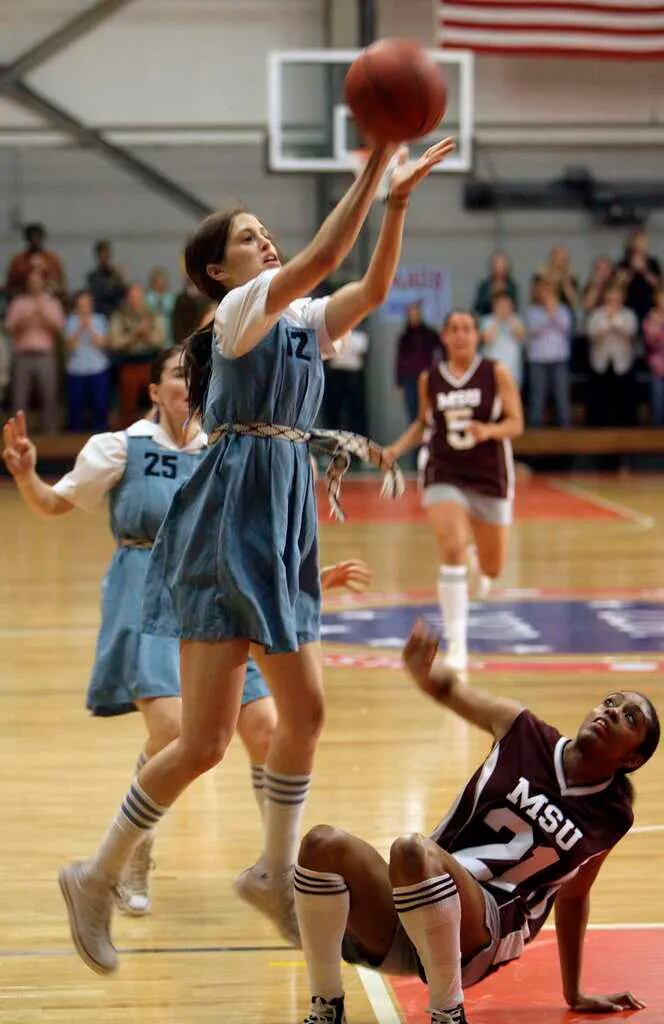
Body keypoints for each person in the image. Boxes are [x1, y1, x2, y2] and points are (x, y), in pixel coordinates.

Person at [54, 134, 457, 976]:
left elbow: (370, 285)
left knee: (304, 713)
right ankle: (94, 876)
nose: (265, 240)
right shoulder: (239, 313)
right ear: (217, 271)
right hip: (228, 514)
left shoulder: (302, 318)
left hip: (281, 514)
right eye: (248, 236)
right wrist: (374, 164)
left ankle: (273, 870)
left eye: (264, 232)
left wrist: (401, 206)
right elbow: (324, 255)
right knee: (203, 744)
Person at [2, 348, 373, 918]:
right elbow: (54, 504)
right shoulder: (120, 446)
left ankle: (274, 871)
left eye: (197, 375)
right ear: (154, 390)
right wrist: (27, 474)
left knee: (270, 730)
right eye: (178, 374)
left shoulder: (226, 447)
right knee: (176, 731)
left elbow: (254, 532)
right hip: (147, 588)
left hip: (221, 589)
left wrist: (307, 576)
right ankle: (132, 850)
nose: (189, 383)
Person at [294, 620, 659, 1024]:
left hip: (488, 927)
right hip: (421, 893)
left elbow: (573, 897)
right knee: (320, 844)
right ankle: (328, 1005)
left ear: (633, 760)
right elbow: (453, 691)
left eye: (629, 718)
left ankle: (448, 1013)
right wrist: (422, 672)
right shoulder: (523, 730)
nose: (611, 711)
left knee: (411, 850)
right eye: (610, 701)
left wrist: (574, 991)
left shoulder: (612, 816)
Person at [385, 310, 523, 670]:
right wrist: (395, 451)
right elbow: (422, 423)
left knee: (493, 569)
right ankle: (458, 644)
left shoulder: (496, 373)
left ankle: (480, 562)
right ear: (444, 337)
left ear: (477, 336)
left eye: (467, 329)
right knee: (451, 547)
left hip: (489, 474)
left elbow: (516, 423)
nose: (461, 335)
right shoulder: (429, 378)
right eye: (454, 329)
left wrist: (488, 431)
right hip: (443, 469)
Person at [5, 268, 65, 433]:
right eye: (31, 282)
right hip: (23, 356)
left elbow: (59, 327)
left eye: (37, 282)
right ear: (27, 284)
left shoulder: (51, 302)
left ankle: (52, 437)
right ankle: (17, 436)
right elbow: (9, 327)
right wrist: (25, 318)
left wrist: (42, 315)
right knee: (19, 399)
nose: (34, 285)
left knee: (50, 397)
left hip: (45, 355)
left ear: (43, 283)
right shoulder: (19, 302)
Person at [108, 283, 167, 425]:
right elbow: (115, 342)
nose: (136, 301)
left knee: (157, 403)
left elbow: (160, 339)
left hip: (150, 364)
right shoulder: (119, 316)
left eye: (139, 297)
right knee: (128, 406)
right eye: (132, 297)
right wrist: (135, 334)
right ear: (127, 299)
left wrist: (146, 336)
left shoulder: (153, 316)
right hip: (128, 365)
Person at [586, 282, 638, 427]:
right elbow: (591, 335)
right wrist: (606, 323)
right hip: (601, 362)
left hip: (622, 362)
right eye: (611, 296)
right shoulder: (597, 314)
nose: (614, 299)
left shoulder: (628, 314)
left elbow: (631, 332)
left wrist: (616, 321)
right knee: (600, 399)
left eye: (617, 296)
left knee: (623, 399)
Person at [524, 276, 573, 428]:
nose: (546, 295)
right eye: (543, 292)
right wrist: (548, 314)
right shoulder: (531, 311)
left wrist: (553, 312)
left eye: (550, 292)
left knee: (562, 397)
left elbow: (566, 328)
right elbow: (533, 330)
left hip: (559, 359)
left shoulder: (563, 310)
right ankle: (535, 433)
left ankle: (567, 432)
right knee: (537, 397)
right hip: (538, 360)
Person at [64, 290, 111, 431]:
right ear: (76, 306)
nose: (84, 309)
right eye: (81, 306)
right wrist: (79, 328)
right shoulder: (70, 321)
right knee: (75, 406)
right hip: (76, 369)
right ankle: (74, 438)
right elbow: (70, 347)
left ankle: (100, 433)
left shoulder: (100, 320)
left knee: (100, 405)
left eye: (87, 305)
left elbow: (103, 344)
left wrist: (89, 327)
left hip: (98, 367)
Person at [395, 303, 443, 425]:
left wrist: (440, 369)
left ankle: (428, 440)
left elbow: (443, 348)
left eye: (416, 313)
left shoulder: (429, 334)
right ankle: (415, 443)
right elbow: (399, 361)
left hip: (426, 377)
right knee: (412, 412)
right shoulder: (404, 337)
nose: (414, 316)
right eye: (411, 314)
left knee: (428, 410)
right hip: (408, 379)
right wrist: (398, 382)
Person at [5, 222, 67, 300]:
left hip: (49, 301)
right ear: (27, 239)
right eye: (32, 237)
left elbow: (61, 284)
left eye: (37, 237)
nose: (34, 240)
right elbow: (11, 286)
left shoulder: (52, 260)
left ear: (42, 238)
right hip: (24, 301)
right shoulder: (18, 261)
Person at [479, 291, 525, 390]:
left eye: (507, 304)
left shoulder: (516, 319)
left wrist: (509, 319)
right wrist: (498, 319)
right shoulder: (486, 320)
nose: (504, 307)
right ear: (494, 306)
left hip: (512, 370)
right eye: (501, 305)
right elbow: (486, 339)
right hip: (492, 370)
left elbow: (521, 337)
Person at [616, 229, 661, 327]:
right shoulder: (623, 263)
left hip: (649, 303)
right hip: (629, 303)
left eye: (645, 242)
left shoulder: (653, 263)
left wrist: (644, 271)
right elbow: (618, 284)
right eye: (640, 242)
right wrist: (632, 269)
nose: (643, 245)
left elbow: (658, 284)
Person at [86, 240, 127, 318]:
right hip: (99, 315)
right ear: (98, 256)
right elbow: (100, 294)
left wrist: (121, 279)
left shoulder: (115, 274)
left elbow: (122, 294)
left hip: (115, 315)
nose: (105, 258)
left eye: (107, 254)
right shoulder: (92, 276)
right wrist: (114, 280)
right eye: (102, 255)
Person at [472, 252, 518, 319]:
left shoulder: (512, 286)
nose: (499, 270)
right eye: (496, 267)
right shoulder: (484, 286)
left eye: (502, 267)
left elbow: (516, 307)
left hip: (508, 320)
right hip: (486, 319)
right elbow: (477, 308)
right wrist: (491, 294)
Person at [643, 286, 664, 426]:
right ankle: (657, 430)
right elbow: (651, 339)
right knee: (658, 398)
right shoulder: (651, 317)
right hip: (658, 365)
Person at [145, 266, 177, 347]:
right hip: (152, 338)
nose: (161, 284)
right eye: (158, 282)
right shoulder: (147, 298)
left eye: (163, 281)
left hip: (169, 336)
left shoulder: (172, 298)